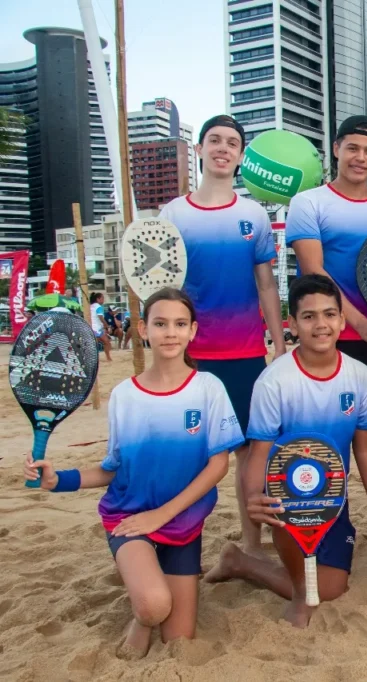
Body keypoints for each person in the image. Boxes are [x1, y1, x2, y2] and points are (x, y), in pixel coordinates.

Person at [25, 288, 240, 657]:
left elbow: (218, 465)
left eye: (179, 324)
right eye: (160, 323)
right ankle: (142, 616)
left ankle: (146, 605)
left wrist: (163, 514)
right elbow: (113, 469)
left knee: (179, 638)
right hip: (130, 517)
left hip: (182, 523)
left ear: (192, 331)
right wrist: (58, 479)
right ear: (143, 329)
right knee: (155, 606)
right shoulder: (125, 395)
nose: (170, 332)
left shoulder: (209, 389)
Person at [204, 275, 367, 628]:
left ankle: (241, 562)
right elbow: (259, 451)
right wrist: (254, 498)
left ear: (343, 321)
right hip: (286, 498)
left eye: (330, 314)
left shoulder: (360, 377)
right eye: (309, 316)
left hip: (333, 498)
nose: (321, 324)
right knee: (309, 589)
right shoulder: (274, 381)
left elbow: (365, 447)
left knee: (332, 588)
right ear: (293, 325)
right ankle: (297, 590)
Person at [160, 114, 286, 557]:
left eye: (231, 142)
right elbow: (162, 290)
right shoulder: (172, 215)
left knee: (251, 457)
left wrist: (281, 345)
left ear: (240, 156)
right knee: (185, 456)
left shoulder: (252, 215)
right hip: (189, 357)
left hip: (246, 354)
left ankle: (252, 544)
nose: (222, 148)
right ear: (198, 150)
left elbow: (267, 285)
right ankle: (174, 543)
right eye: (214, 140)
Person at [285, 115, 367, 515]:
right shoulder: (308, 203)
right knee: (319, 438)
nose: (360, 157)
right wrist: (360, 324)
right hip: (325, 340)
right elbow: (316, 275)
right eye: (352, 148)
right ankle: (317, 516)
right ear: (336, 149)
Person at [90, 292, 112, 362]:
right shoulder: (98, 307)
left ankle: (95, 359)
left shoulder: (91, 306)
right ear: (98, 299)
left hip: (91, 327)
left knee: (94, 345)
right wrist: (107, 326)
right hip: (97, 328)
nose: (103, 300)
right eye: (102, 298)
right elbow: (101, 318)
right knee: (107, 342)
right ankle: (108, 357)